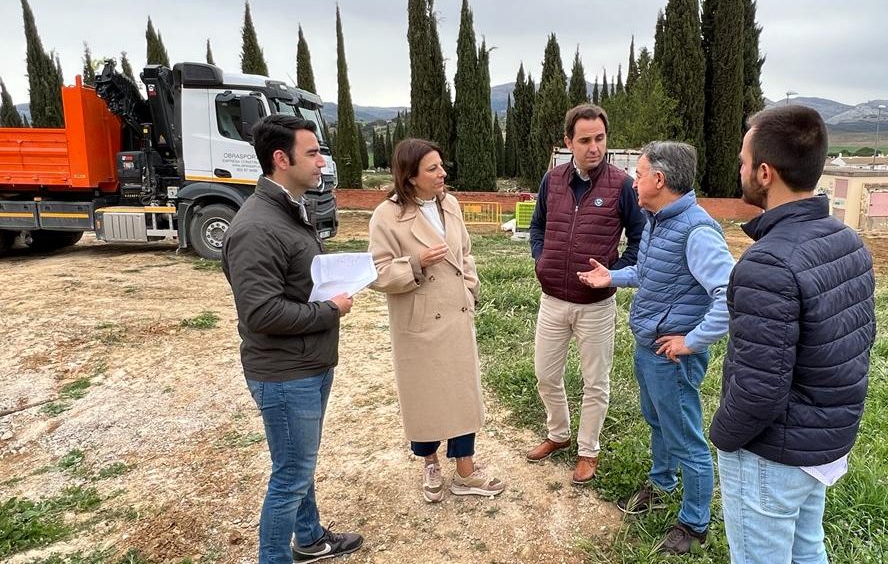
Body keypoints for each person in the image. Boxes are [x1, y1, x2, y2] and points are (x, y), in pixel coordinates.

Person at [710, 105, 876, 564]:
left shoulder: (768, 263)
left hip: (772, 455)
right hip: (820, 445)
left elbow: (759, 389)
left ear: (765, 173)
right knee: (807, 550)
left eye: (743, 161)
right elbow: (856, 346)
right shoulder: (847, 240)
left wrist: (722, 435)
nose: (739, 169)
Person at [578, 141, 734, 555]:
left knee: (686, 438)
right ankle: (662, 484)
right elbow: (648, 272)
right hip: (650, 347)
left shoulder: (697, 231)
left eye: (639, 173)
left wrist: (693, 341)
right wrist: (610, 277)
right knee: (658, 420)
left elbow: (729, 294)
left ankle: (695, 522)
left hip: (672, 356)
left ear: (659, 180)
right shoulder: (656, 220)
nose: (634, 180)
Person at [222, 114, 363, 563]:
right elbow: (261, 312)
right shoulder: (256, 227)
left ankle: (309, 538)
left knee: (298, 466)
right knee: (290, 475)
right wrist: (329, 309)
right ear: (281, 159)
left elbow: (293, 280)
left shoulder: (287, 209)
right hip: (285, 374)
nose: (322, 161)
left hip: (307, 363)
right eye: (313, 153)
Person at [368, 138, 505, 503]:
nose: (443, 173)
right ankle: (429, 463)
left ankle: (466, 470)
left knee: (462, 393)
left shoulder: (451, 204)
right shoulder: (387, 215)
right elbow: (376, 272)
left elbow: (466, 254)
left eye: (441, 165)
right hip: (419, 321)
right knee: (425, 396)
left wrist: (470, 290)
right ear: (410, 177)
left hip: (456, 315)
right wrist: (416, 263)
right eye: (432, 168)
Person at [526, 104, 645, 484]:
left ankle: (588, 451)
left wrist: (614, 274)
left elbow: (641, 240)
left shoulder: (622, 185)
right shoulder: (553, 179)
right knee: (546, 374)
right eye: (585, 140)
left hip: (596, 306)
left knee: (595, 382)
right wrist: (540, 260)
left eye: (600, 138)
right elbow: (538, 227)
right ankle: (558, 435)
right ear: (568, 142)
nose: (594, 147)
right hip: (553, 300)